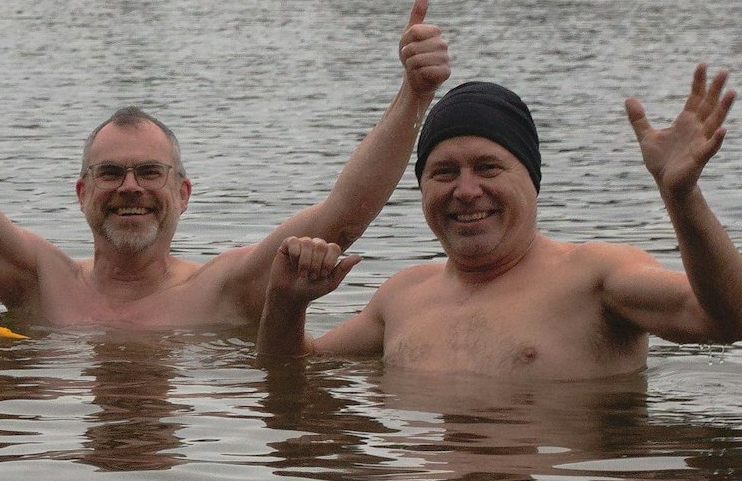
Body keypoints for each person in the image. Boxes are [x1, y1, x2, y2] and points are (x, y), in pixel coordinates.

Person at [0, 0, 451, 330]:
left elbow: (344, 213)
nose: (130, 187)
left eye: (150, 172)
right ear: (82, 192)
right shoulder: (40, 283)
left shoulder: (226, 291)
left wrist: (414, 95)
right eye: (110, 173)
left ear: (183, 193)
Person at [259, 69, 742, 378]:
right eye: (443, 173)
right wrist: (285, 301)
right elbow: (289, 375)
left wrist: (681, 196)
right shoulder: (401, 295)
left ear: (532, 181)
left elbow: (727, 320)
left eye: (488, 168)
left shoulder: (595, 276)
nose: (466, 191)